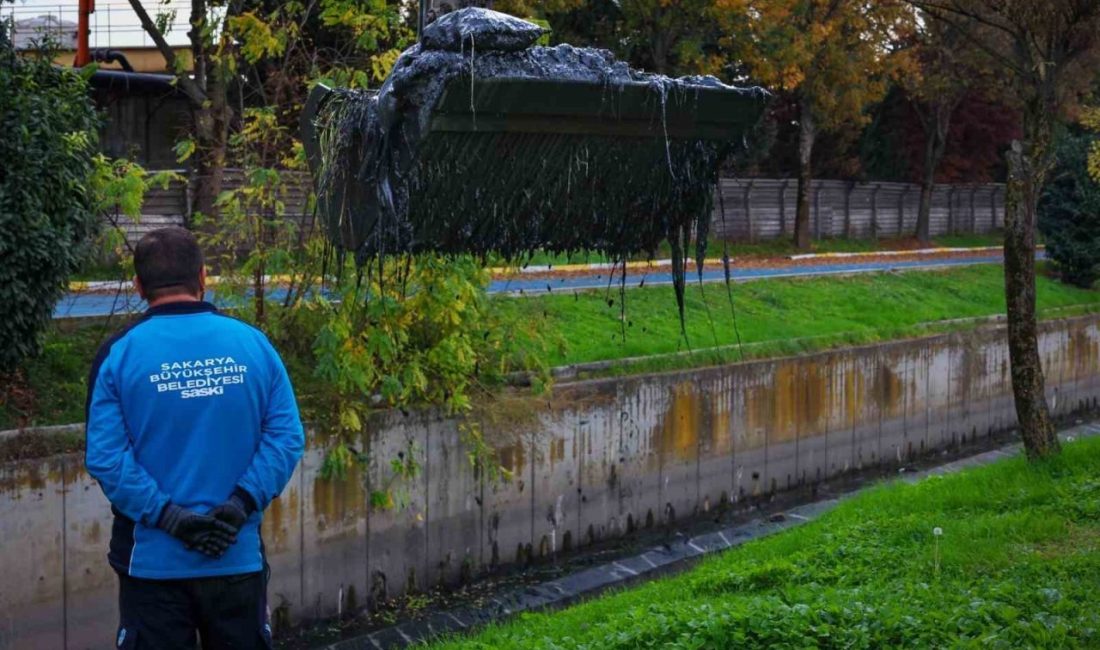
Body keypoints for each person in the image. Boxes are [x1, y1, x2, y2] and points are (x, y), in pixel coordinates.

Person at [85, 227, 305, 649]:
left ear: (138, 286)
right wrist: (240, 505)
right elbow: (286, 437)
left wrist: (169, 517)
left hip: (152, 567)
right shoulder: (254, 345)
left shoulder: (119, 354)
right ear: (203, 277)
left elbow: (107, 458)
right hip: (236, 556)